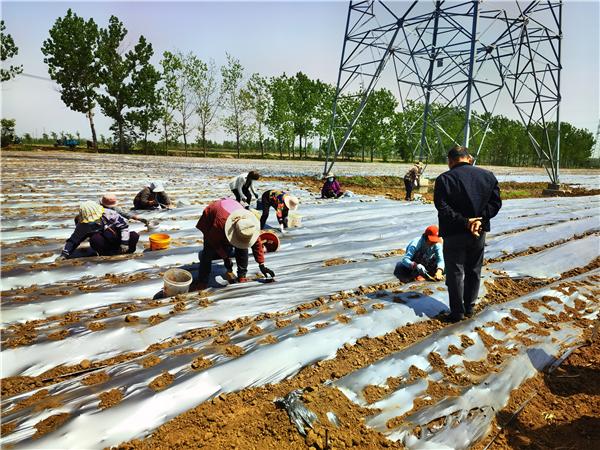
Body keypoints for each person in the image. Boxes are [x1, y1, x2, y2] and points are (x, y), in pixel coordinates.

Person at [434, 146, 502, 322]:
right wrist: (480, 220)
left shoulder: (444, 179)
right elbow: (495, 203)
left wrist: (466, 222)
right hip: (478, 232)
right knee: (474, 269)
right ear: (468, 158)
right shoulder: (488, 176)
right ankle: (469, 308)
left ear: (450, 161)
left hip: (454, 232)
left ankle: (457, 313)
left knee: (455, 272)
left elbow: (443, 208)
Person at [195, 198, 275, 290]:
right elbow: (214, 242)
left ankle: (242, 275)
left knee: (242, 244)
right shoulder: (219, 224)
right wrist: (225, 258)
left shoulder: (249, 225)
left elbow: (257, 244)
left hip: (234, 209)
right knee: (208, 250)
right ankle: (202, 281)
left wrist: (261, 264)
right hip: (213, 215)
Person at [56, 201, 139, 261]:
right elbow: (74, 240)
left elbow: (124, 227)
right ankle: (108, 255)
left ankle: (127, 252)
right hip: (104, 244)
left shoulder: (110, 214)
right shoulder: (83, 224)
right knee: (95, 239)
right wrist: (64, 254)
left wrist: (124, 243)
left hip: (117, 238)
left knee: (134, 235)